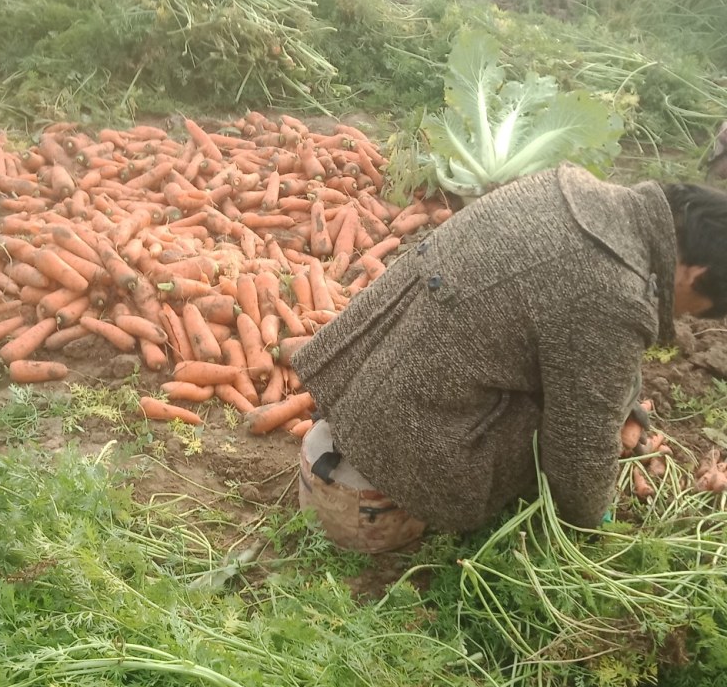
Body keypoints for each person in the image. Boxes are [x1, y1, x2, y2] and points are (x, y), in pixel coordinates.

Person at [293, 165, 727, 552]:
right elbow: (578, 453)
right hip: (408, 436)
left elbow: (588, 342)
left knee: (588, 387)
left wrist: (624, 405)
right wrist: (596, 527)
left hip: (360, 375)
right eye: (691, 308)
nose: (679, 315)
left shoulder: (572, 186)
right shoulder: (613, 291)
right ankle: (428, 488)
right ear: (697, 274)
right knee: (575, 429)